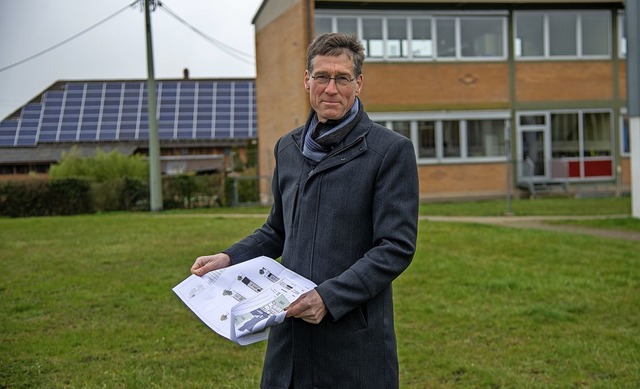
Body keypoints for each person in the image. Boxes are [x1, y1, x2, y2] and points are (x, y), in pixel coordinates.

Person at [191, 32, 419, 389]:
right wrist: (228, 258)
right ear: (306, 79)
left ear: (358, 83)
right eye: (322, 76)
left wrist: (328, 297)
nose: (331, 88)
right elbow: (277, 230)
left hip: (352, 340)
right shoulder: (288, 148)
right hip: (291, 338)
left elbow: (395, 247)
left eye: (342, 78)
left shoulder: (389, 152)